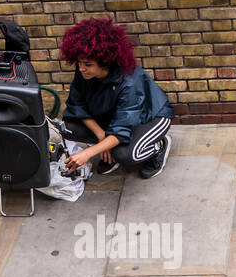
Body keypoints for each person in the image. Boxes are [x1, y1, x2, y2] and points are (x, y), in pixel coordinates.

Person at [58, 16, 174, 179]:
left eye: (88, 64)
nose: (81, 68)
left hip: (151, 116)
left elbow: (121, 128)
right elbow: (77, 106)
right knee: (69, 127)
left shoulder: (129, 81)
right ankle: (110, 147)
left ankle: (158, 146)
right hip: (116, 117)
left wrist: (88, 153)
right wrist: (101, 136)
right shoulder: (84, 72)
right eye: (79, 63)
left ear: (105, 62)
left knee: (126, 155)